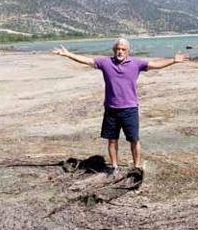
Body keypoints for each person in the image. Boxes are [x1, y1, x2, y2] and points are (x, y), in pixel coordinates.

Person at [52, 38, 190, 175]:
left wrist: (173, 60)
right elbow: (87, 60)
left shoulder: (136, 63)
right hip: (111, 109)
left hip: (130, 109)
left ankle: (136, 166)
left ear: (127, 51)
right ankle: (114, 167)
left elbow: (155, 64)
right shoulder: (105, 62)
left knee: (134, 140)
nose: (120, 51)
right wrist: (68, 54)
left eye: (123, 49)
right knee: (112, 140)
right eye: (118, 49)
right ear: (114, 50)